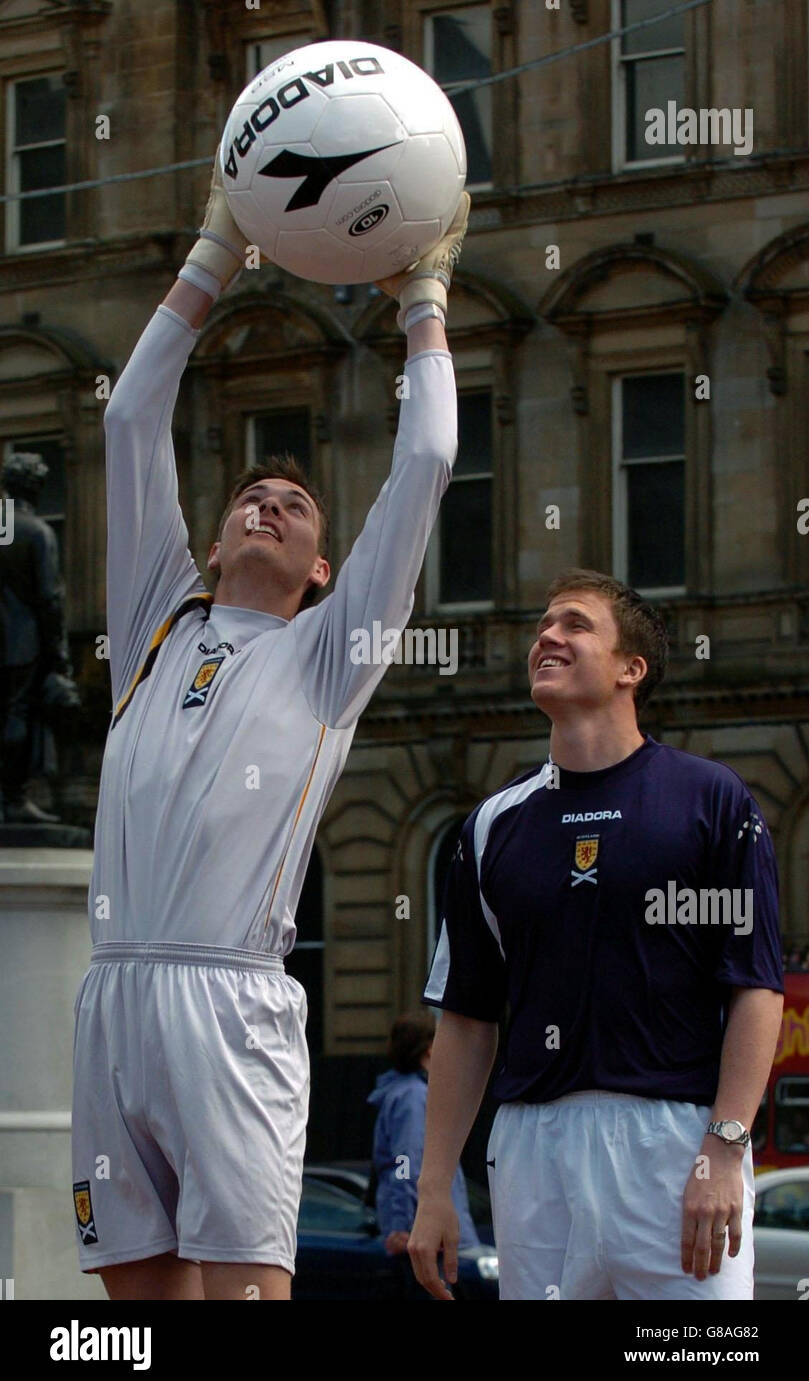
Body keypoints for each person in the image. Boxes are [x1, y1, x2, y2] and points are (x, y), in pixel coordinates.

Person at [70, 146, 470, 1300]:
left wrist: (424, 299)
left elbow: (429, 456)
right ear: (211, 539)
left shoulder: (325, 653)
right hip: (111, 998)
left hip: (228, 998)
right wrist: (214, 251)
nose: (266, 503)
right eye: (251, 495)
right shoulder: (156, 621)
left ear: (322, 567)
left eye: (293, 507)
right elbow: (133, 416)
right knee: (132, 1315)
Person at [413, 568, 784, 1301]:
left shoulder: (710, 799)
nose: (547, 636)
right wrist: (434, 1189)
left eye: (575, 625)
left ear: (629, 668)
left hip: (674, 1142)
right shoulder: (490, 826)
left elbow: (754, 986)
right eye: (543, 626)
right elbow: (465, 1019)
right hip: (531, 1146)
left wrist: (724, 1145)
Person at [368, 1011, 478, 1295]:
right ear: (430, 1048)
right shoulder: (414, 1097)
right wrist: (404, 1227)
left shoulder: (405, 1094)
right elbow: (407, 1163)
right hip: (429, 1241)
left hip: (425, 1237)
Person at [0, 452, 79, 823]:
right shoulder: (36, 531)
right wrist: (59, 656)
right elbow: (50, 599)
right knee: (16, 714)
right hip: (20, 641)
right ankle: (12, 799)